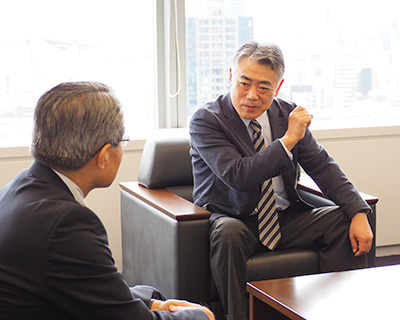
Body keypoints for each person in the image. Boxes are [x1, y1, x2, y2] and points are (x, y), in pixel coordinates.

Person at [189, 40, 373, 320]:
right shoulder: (207, 120)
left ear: (278, 86)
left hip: (284, 219)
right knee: (228, 234)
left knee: (345, 219)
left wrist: (358, 211)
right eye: (244, 83)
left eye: (264, 87)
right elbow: (238, 175)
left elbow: (322, 166)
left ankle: (336, 312)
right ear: (230, 76)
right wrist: (287, 141)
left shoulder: (287, 114)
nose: (252, 95)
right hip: (234, 219)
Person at [0, 82, 214, 320]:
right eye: (122, 141)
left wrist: (153, 304)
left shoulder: (18, 188)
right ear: (103, 156)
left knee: (149, 293)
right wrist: (201, 316)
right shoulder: (66, 223)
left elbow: (83, 283)